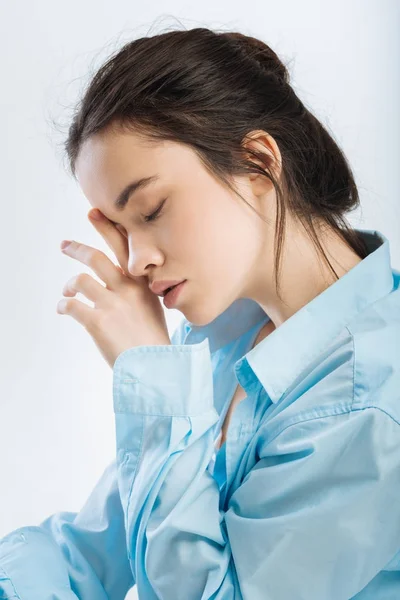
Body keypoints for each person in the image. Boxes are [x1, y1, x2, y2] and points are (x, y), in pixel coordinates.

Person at [1, 24, 400, 600]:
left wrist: (156, 382)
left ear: (259, 164)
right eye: (119, 229)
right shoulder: (223, 336)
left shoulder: (371, 398)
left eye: (151, 209)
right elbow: (99, 546)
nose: (136, 261)